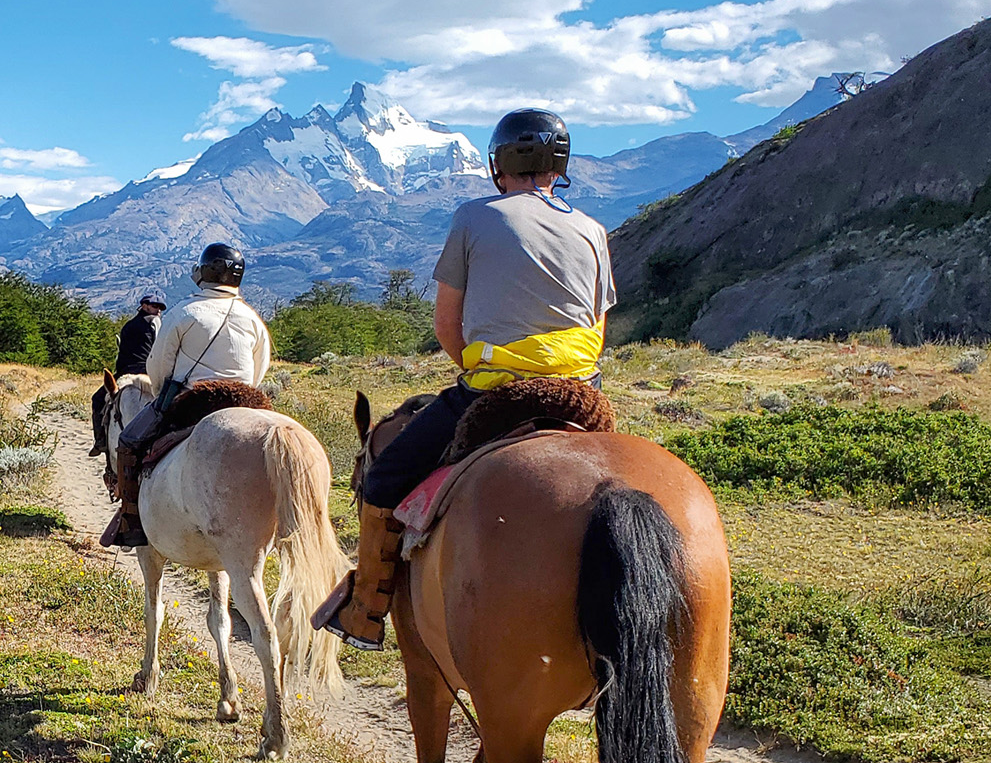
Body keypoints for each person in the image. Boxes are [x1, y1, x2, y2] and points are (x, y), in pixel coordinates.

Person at [313, 107, 616, 650]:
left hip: (495, 388)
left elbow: (447, 323)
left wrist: (476, 367)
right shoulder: (594, 230)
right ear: (560, 164)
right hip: (581, 393)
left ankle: (367, 609)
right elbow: (598, 324)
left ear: (499, 164)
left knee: (384, 478)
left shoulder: (475, 216)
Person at [110, 242, 272, 548]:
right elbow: (259, 370)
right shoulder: (253, 319)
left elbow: (158, 367)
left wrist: (161, 398)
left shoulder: (184, 312)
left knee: (128, 442)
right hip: (246, 403)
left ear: (204, 273)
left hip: (192, 402)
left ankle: (132, 520)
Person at [89, 293, 165, 457]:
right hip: (146, 372)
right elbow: (158, 349)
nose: (158, 310)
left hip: (124, 372)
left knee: (97, 400)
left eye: (159, 308)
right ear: (144, 306)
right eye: (154, 306)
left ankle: (100, 441)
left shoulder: (128, 326)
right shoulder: (155, 322)